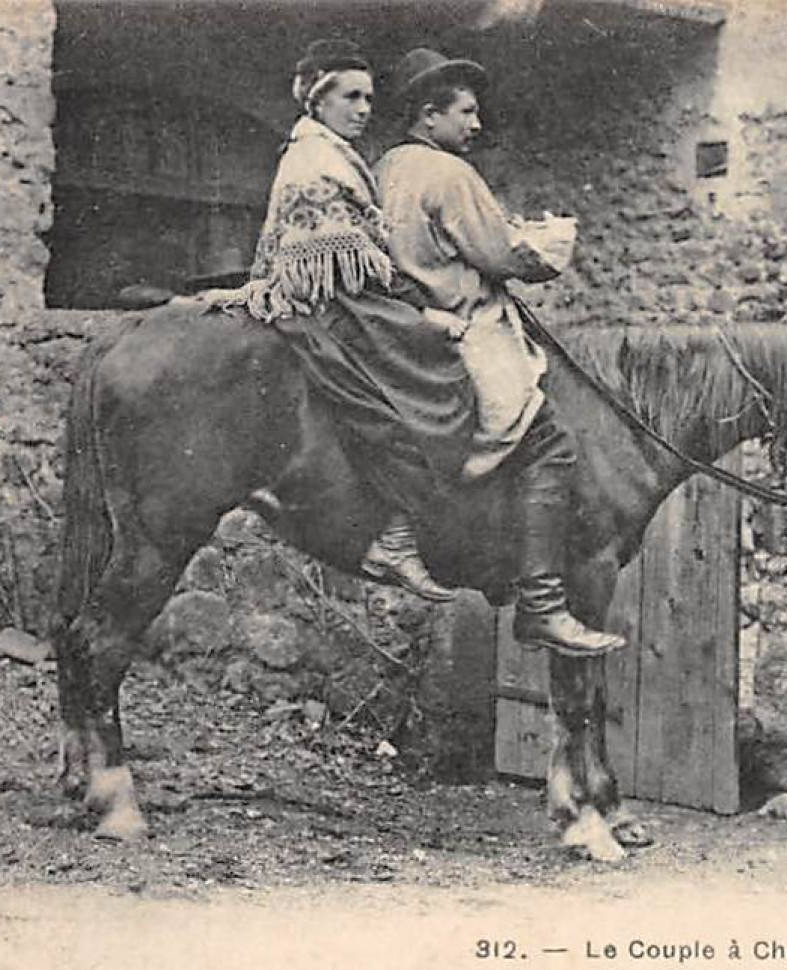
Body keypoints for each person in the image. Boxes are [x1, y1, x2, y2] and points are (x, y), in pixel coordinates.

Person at [374, 47, 626, 657]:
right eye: (466, 112)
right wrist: (550, 241)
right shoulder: (450, 175)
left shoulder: (384, 167)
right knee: (551, 442)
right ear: (429, 116)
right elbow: (503, 257)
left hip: (404, 328)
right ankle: (542, 604)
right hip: (461, 326)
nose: (477, 125)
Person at [243, 39, 474, 603]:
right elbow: (341, 276)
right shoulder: (316, 161)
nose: (363, 109)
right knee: (433, 390)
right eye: (350, 97)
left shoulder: (333, 153)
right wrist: (423, 320)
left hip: (343, 298)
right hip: (324, 310)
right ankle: (395, 537)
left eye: (369, 98)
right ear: (318, 101)